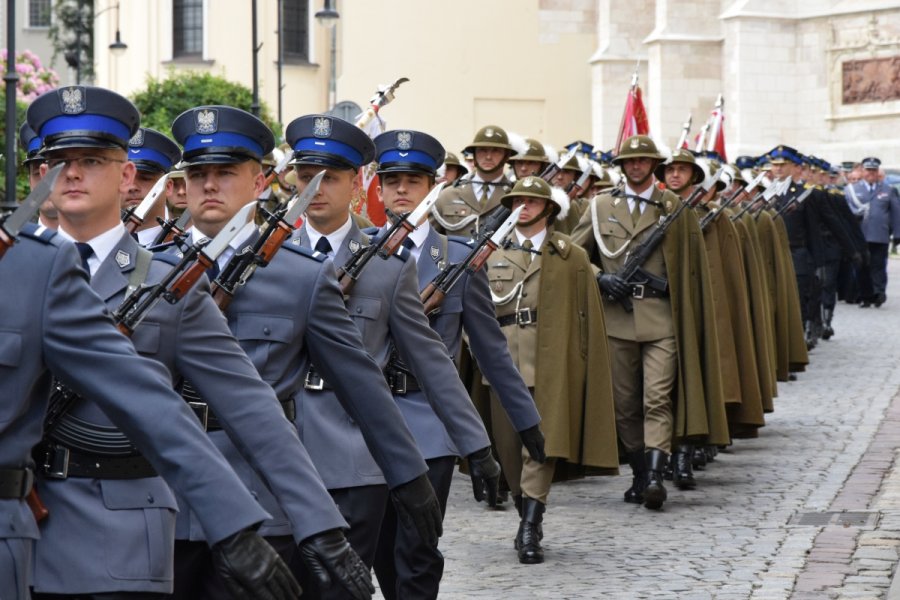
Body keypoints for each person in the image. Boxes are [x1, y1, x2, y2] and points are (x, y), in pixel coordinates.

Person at [26, 87, 359, 599]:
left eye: (91, 160)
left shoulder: (161, 280)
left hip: (119, 536)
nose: (69, 173)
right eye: (57, 161)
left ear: (127, 175)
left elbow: (249, 405)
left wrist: (318, 522)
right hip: (17, 532)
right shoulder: (14, 273)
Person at [167, 105, 449, 600]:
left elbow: (358, 379)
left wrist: (409, 475)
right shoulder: (149, 274)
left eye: (225, 173)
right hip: (165, 495)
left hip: (261, 495)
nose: (209, 185)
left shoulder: (300, 276)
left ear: (260, 183)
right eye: (198, 174)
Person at [285, 114, 502, 595]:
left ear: (357, 184)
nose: (315, 188)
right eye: (305, 177)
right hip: (284, 447)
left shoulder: (387, 266)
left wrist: (476, 446)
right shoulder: (266, 260)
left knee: (363, 579)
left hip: (356, 447)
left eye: (330, 177)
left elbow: (430, 359)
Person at [368, 129, 544, 594]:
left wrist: (526, 423)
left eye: (413, 180)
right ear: (378, 188)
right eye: (392, 181)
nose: (402, 190)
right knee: (379, 547)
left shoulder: (459, 259)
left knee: (419, 547)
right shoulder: (356, 255)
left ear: (433, 188)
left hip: (428, 420)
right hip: (364, 420)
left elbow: (491, 349)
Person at [571, 135, 725, 511]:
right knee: (625, 405)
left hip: (661, 319)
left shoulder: (673, 207)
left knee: (657, 398)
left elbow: (691, 266)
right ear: (621, 166)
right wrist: (599, 277)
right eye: (630, 161)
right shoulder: (599, 206)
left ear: (652, 165)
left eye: (643, 161)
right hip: (615, 319)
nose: (636, 166)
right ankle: (640, 473)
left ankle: (656, 475)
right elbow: (573, 253)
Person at [485, 175, 618, 561]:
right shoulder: (491, 252)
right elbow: (475, 312)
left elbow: (585, 317)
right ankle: (522, 502)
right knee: (508, 449)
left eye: (532, 200)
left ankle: (530, 524)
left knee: (540, 446)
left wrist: (579, 365)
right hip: (503, 361)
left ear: (549, 208)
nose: (523, 206)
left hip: (551, 362)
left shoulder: (571, 255)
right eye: (517, 200)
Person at [431, 125, 514, 237]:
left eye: (496, 151)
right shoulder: (447, 195)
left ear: (506, 156)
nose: (488, 157)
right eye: (482, 150)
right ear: (474, 155)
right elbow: (429, 239)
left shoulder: (515, 196)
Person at [844, 156, 900, 307]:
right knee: (862, 267)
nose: (871, 173)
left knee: (879, 265)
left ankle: (879, 292)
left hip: (879, 235)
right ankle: (865, 296)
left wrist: (897, 234)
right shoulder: (853, 190)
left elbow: (896, 213)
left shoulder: (888, 190)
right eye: (868, 170)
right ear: (862, 171)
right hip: (860, 235)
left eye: (874, 170)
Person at [121, 127, 182, 246]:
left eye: (145, 178)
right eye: (125, 177)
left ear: (168, 187)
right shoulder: (92, 246)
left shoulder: (181, 249)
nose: (132, 187)